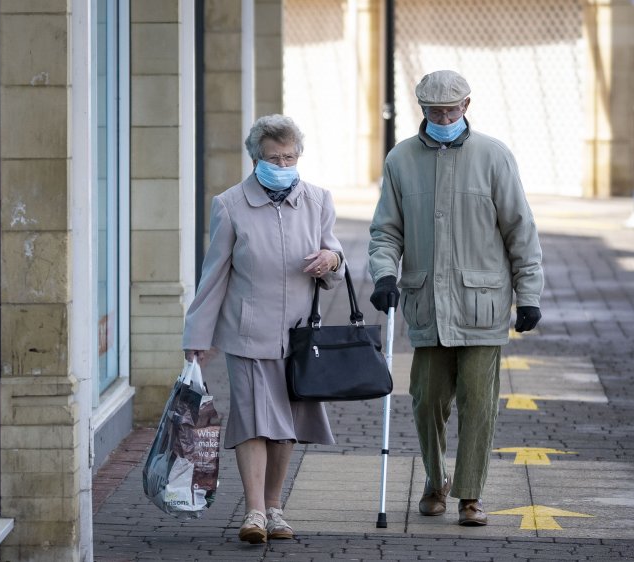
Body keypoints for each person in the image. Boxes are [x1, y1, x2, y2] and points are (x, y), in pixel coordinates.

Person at [368, 70, 544, 526]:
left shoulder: (493, 156)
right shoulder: (401, 159)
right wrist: (385, 275)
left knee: (478, 403)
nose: (443, 117)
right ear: (421, 109)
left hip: (482, 306)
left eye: (450, 109)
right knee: (426, 400)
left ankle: (470, 495)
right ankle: (434, 479)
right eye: (434, 110)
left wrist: (529, 295)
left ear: (467, 105)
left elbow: (520, 230)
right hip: (428, 304)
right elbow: (386, 231)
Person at [182, 114, 345, 544]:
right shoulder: (230, 204)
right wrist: (198, 336)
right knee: (255, 420)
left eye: (289, 156)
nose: (283, 163)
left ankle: (275, 507)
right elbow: (213, 275)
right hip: (248, 333)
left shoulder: (318, 199)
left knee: (286, 423)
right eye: (274, 157)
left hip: (299, 335)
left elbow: (335, 255)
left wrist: (331, 260)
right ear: (256, 159)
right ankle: (254, 511)